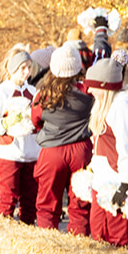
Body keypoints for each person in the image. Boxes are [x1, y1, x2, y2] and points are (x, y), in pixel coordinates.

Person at [83, 57, 128, 247]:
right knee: (99, 235)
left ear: (105, 86)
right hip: (103, 182)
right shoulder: (107, 104)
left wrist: (126, 184)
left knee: (119, 240)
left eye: (92, 86)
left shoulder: (122, 107)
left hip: (116, 182)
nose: (88, 90)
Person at [31, 45, 93, 234]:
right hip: (81, 150)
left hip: (52, 152)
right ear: (77, 66)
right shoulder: (88, 92)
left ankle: (48, 244)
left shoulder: (43, 94)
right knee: (81, 204)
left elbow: (35, 120)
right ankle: (79, 243)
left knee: (47, 205)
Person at [0, 49, 39, 222]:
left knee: (30, 202)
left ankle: (27, 233)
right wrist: (5, 124)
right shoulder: (1, 93)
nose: (27, 72)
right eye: (22, 68)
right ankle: (4, 234)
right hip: (10, 154)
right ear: (13, 68)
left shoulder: (34, 92)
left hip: (32, 155)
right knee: (8, 201)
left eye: (29, 67)